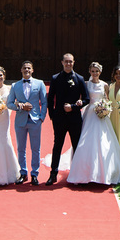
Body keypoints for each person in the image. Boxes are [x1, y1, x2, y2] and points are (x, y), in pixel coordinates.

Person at [67, 62, 120, 185]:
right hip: (89, 114)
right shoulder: (86, 84)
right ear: (89, 71)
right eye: (92, 71)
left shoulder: (105, 85)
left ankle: (103, 174)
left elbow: (107, 100)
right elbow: (83, 98)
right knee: (85, 142)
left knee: (103, 142)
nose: (95, 73)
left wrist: (105, 108)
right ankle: (83, 174)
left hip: (101, 115)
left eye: (96, 71)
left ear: (100, 72)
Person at [46, 53, 90, 184]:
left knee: (77, 145)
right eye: (66, 62)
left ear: (74, 62)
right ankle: (53, 173)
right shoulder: (55, 78)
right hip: (59, 118)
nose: (68, 64)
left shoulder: (80, 78)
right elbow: (50, 98)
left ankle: (78, 174)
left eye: (70, 62)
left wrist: (74, 107)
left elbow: (86, 99)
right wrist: (52, 114)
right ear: (62, 62)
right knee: (57, 145)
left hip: (75, 118)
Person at [8, 61, 46, 184]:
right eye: (24, 68)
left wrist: (41, 117)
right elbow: (9, 103)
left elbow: (44, 102)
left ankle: (35, 173)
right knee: (21, 148)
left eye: (29, 68)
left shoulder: (39, 84)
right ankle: (23, 172)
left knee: (35, 148)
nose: (27, 70)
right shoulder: (15, 85)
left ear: (32, 70)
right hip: (20, 121)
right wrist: (19, 106)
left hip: (35, 121)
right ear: (21, 70)